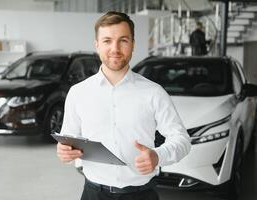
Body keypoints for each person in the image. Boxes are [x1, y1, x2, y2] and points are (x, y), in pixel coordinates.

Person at [56, 11, 191, 200]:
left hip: (141, 194)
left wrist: (157, 156)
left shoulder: (154, 92)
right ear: (97, 45)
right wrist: (65, 152)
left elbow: (182, 140)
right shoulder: (78, 93)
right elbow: (68, 140)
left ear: (133, 44)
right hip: (93, 193)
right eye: (107, 41)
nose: (115, 48)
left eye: (123, 40)